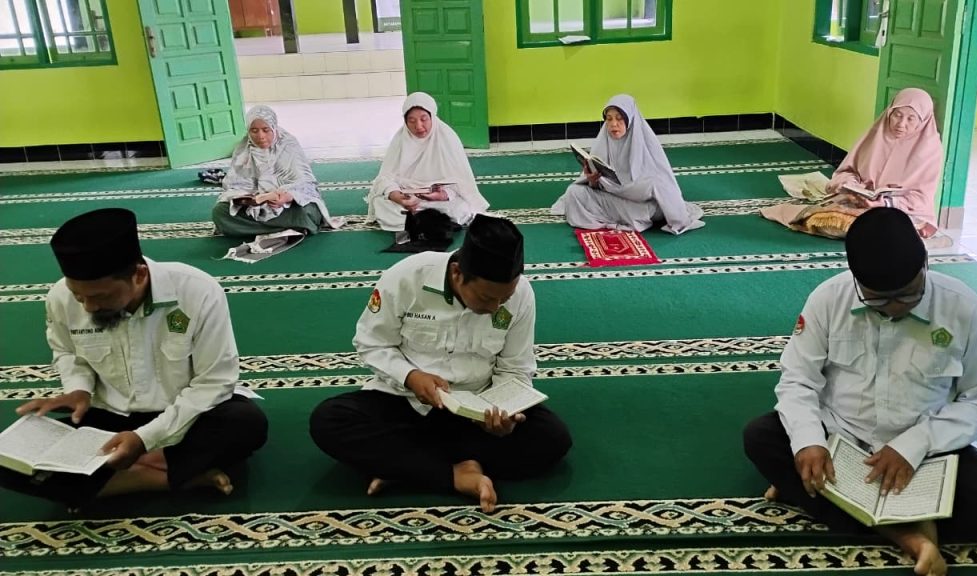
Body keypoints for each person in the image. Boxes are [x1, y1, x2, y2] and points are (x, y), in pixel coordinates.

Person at [743, 208, 977, 576]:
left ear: (925, 263)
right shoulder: (828, 299)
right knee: (761, 437)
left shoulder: (966, 311)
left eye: (907, 296)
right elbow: (798, 379)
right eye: (877, 300)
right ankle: (913, 535)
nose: (893, 309)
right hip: (843, 439)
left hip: (929, 450)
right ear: (855, 278)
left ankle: (814, 494)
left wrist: (914, 445)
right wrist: (808, 442)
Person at [0, 208, 268, 509]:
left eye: (100, 297)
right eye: (79, 296)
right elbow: (67, 352)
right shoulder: (61, 297)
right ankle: (173, 477)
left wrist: (143, 440)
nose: (88, 307)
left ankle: (115, 474)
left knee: (246, 424)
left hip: (185, 415)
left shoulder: (197, 291)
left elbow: (214, 382)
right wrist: (78, 389)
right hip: (110, 418)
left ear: (139, 275)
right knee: (9, 462)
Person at [309, 215, 571, 512]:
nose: (495, 308)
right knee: (329, 420)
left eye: (504, 299)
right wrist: (411, 376)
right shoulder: (407, 277)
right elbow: (372, 343)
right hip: (406, 402)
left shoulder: (521, 294)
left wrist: (503, 413)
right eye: (486, 297)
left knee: (552, 438)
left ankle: (407, 467)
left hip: (477, 412)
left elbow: (515, 367)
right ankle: (459, 471)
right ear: (458, 273)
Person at [762, 88, 942, 239]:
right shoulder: (875, 136)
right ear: (889, 113)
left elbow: (921, 199)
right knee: (823, 218)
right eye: (897, 115)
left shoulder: (929, 150)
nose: (901, 124)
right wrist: (853, 186)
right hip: (859, 201)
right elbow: (846, 172)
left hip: (901, 210)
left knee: (882, 227)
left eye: (911, 118)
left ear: (923, 121)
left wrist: (884, 203)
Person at [551, 94, 704, 234]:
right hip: (616, 201)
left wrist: (634, 188)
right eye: (609, 119)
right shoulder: (603, 142)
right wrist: (592, 180)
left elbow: (662, 185)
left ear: (630, 120)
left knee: (654, 187)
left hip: (640, 204)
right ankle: (624, 219)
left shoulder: (645, 145)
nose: (613, 124)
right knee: (573, 192)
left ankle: (622, 218)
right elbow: (596, 186)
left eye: (619, 118)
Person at [367, 92, 489, 232]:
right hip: (406, 198)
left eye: (424, 119)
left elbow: (461, 182)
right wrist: (397, 196)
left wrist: (442, 195)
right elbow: (385, 178)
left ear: (432, 117)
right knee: (381, 205)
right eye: (412, 121)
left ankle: (416, 221)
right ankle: (432, 221)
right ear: (405, 122)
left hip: (438, 202)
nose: (418, 126)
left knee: (460, 209)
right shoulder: (400, 140)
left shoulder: (447, 138)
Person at [214, 105, 332, 237]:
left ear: (274, 128)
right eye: (254, 131)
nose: (261, 136)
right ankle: (289, 228)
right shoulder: (244, 149)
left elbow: (306, 182)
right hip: (255, 206)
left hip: (286, 204)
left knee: (308, 211)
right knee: (220, 212)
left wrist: (287, 196)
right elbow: (234, 185)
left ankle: (255, 229)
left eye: (266, 130)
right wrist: (246, 198)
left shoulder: (288, 145)